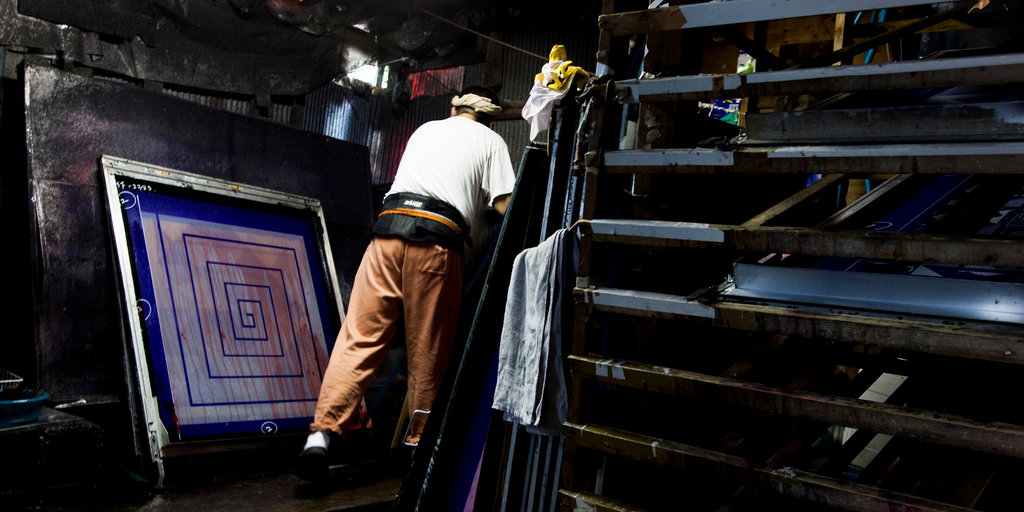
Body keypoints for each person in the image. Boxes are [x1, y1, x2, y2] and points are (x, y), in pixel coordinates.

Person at [298, 85, 515, 482]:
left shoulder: (426, 129)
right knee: (428, 347)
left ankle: (321, 436)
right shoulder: (492, 141)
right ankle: (419, 447)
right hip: (436, 244)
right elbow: (505, 206)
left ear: (454, 109)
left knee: (359, 338)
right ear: (491, 120)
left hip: (385, 235)